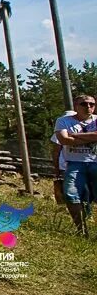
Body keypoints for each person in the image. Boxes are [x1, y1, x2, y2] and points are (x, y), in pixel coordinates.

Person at [55, 95, 97, 236]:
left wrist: (76, 136)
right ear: (76, 106)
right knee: (70, 194)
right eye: (84, 104)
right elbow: (64, 140)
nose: (88, 107)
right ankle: (81, 230)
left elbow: (70, 138)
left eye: (92, 104)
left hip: (95, 162)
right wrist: (91, 136)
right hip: (75, 163)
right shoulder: (63, 121)